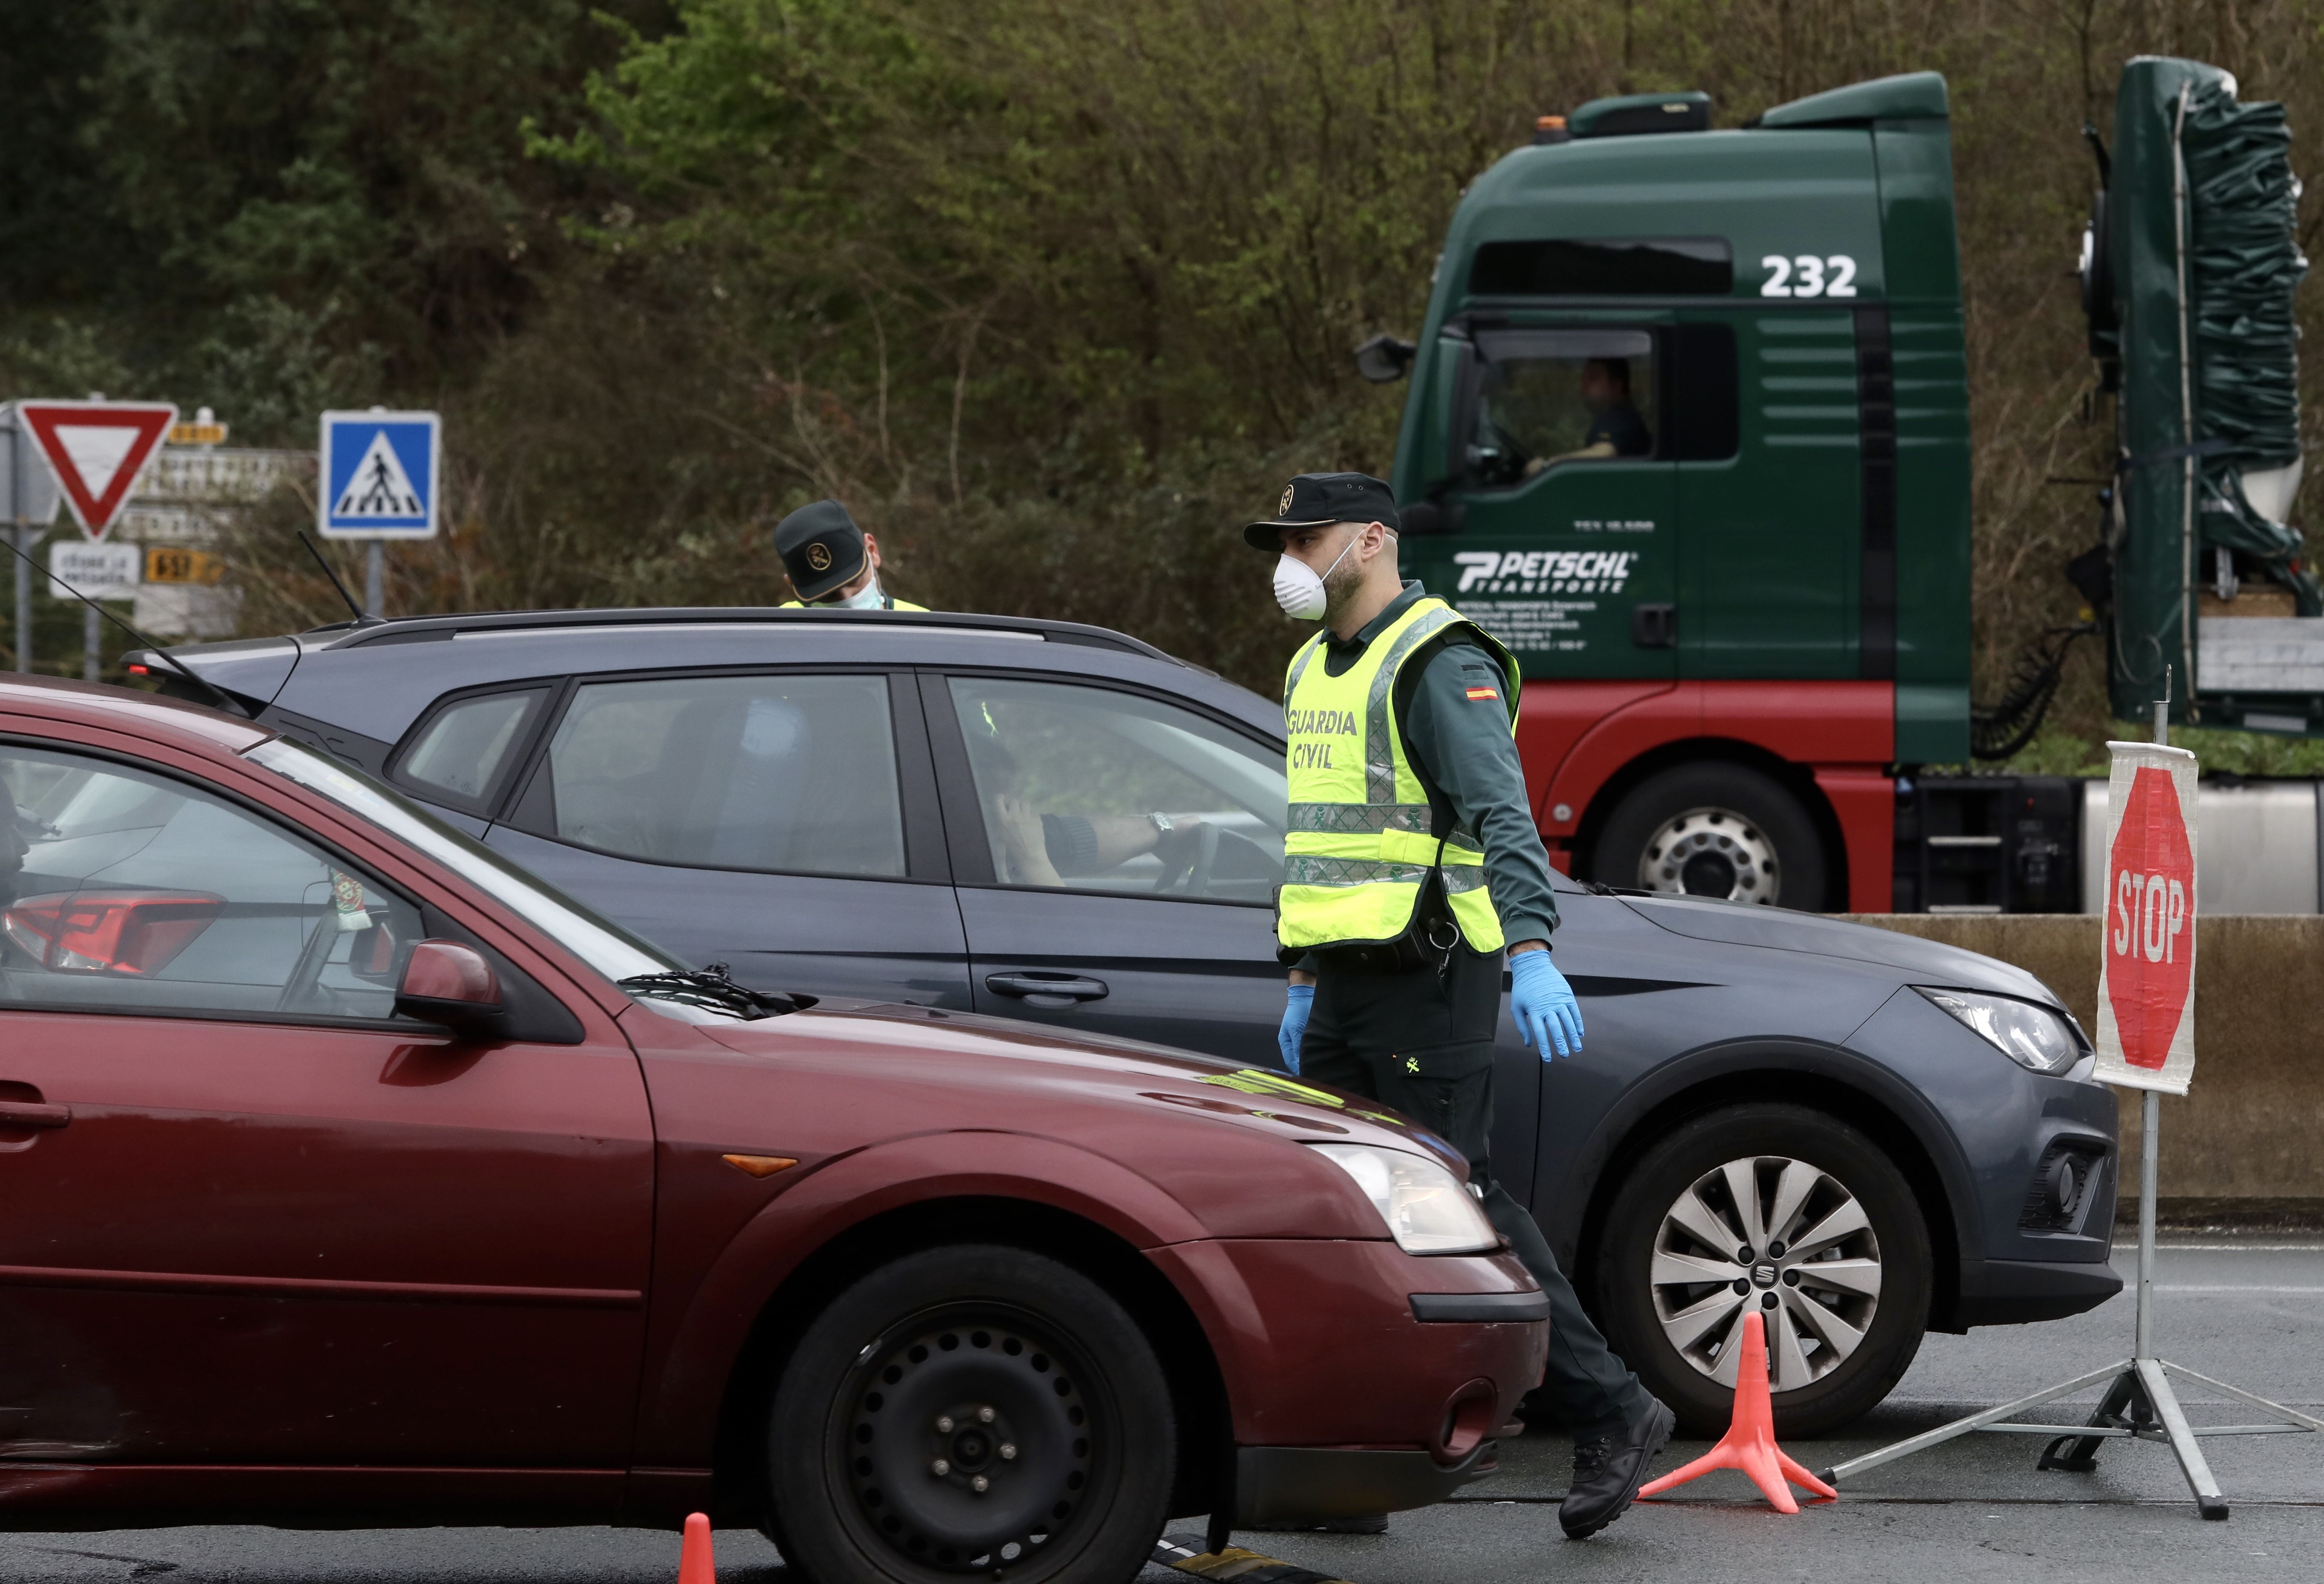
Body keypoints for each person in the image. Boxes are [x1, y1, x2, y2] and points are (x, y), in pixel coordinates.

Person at [1249, 472, 1673, 1541]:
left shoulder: (1438, 657)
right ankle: (1361, 1458)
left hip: (1434, 967)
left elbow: (1499, 812)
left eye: (1312, 537)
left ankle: (1613, 1406)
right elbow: (1316, 835)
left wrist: (1531, 949)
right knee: (1344, 1210)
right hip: (1345, 973)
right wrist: (1301, 976)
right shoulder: (1314, 663)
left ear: (1374, 540)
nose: (1293, 558)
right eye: (1286, 540)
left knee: (1460, 1195)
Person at [773, 499, 929, 610]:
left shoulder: (925, 630)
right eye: (829, 596)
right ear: (791, 584)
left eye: (855, 581)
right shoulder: (776, 634)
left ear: (872, 550)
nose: (849, 602)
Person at [1524, 356, 1653, 474]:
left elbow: (1603, 453)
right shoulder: (1610, 416)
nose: (1584, 385)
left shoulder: (1621, 419)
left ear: (1616, 386)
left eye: (1593, 379)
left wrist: (1547, 467)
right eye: (1584, 378)